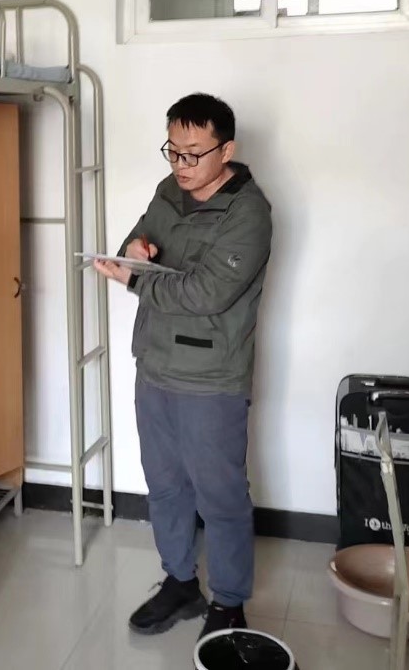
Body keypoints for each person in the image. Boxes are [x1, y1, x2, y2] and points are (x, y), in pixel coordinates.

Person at [95, 93, 273, 641]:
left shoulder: (249, 212)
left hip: (210, 379)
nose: (181, 164)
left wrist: (135, 279)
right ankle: (179, 582)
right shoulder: (169, 191)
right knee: (165, 486)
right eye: (173, 151)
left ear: (227, 151)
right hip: (154, 364)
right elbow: (137, 241)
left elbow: (207, 293)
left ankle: (229, 603)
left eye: (194, 153)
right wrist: (135, 250)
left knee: (221, 496)